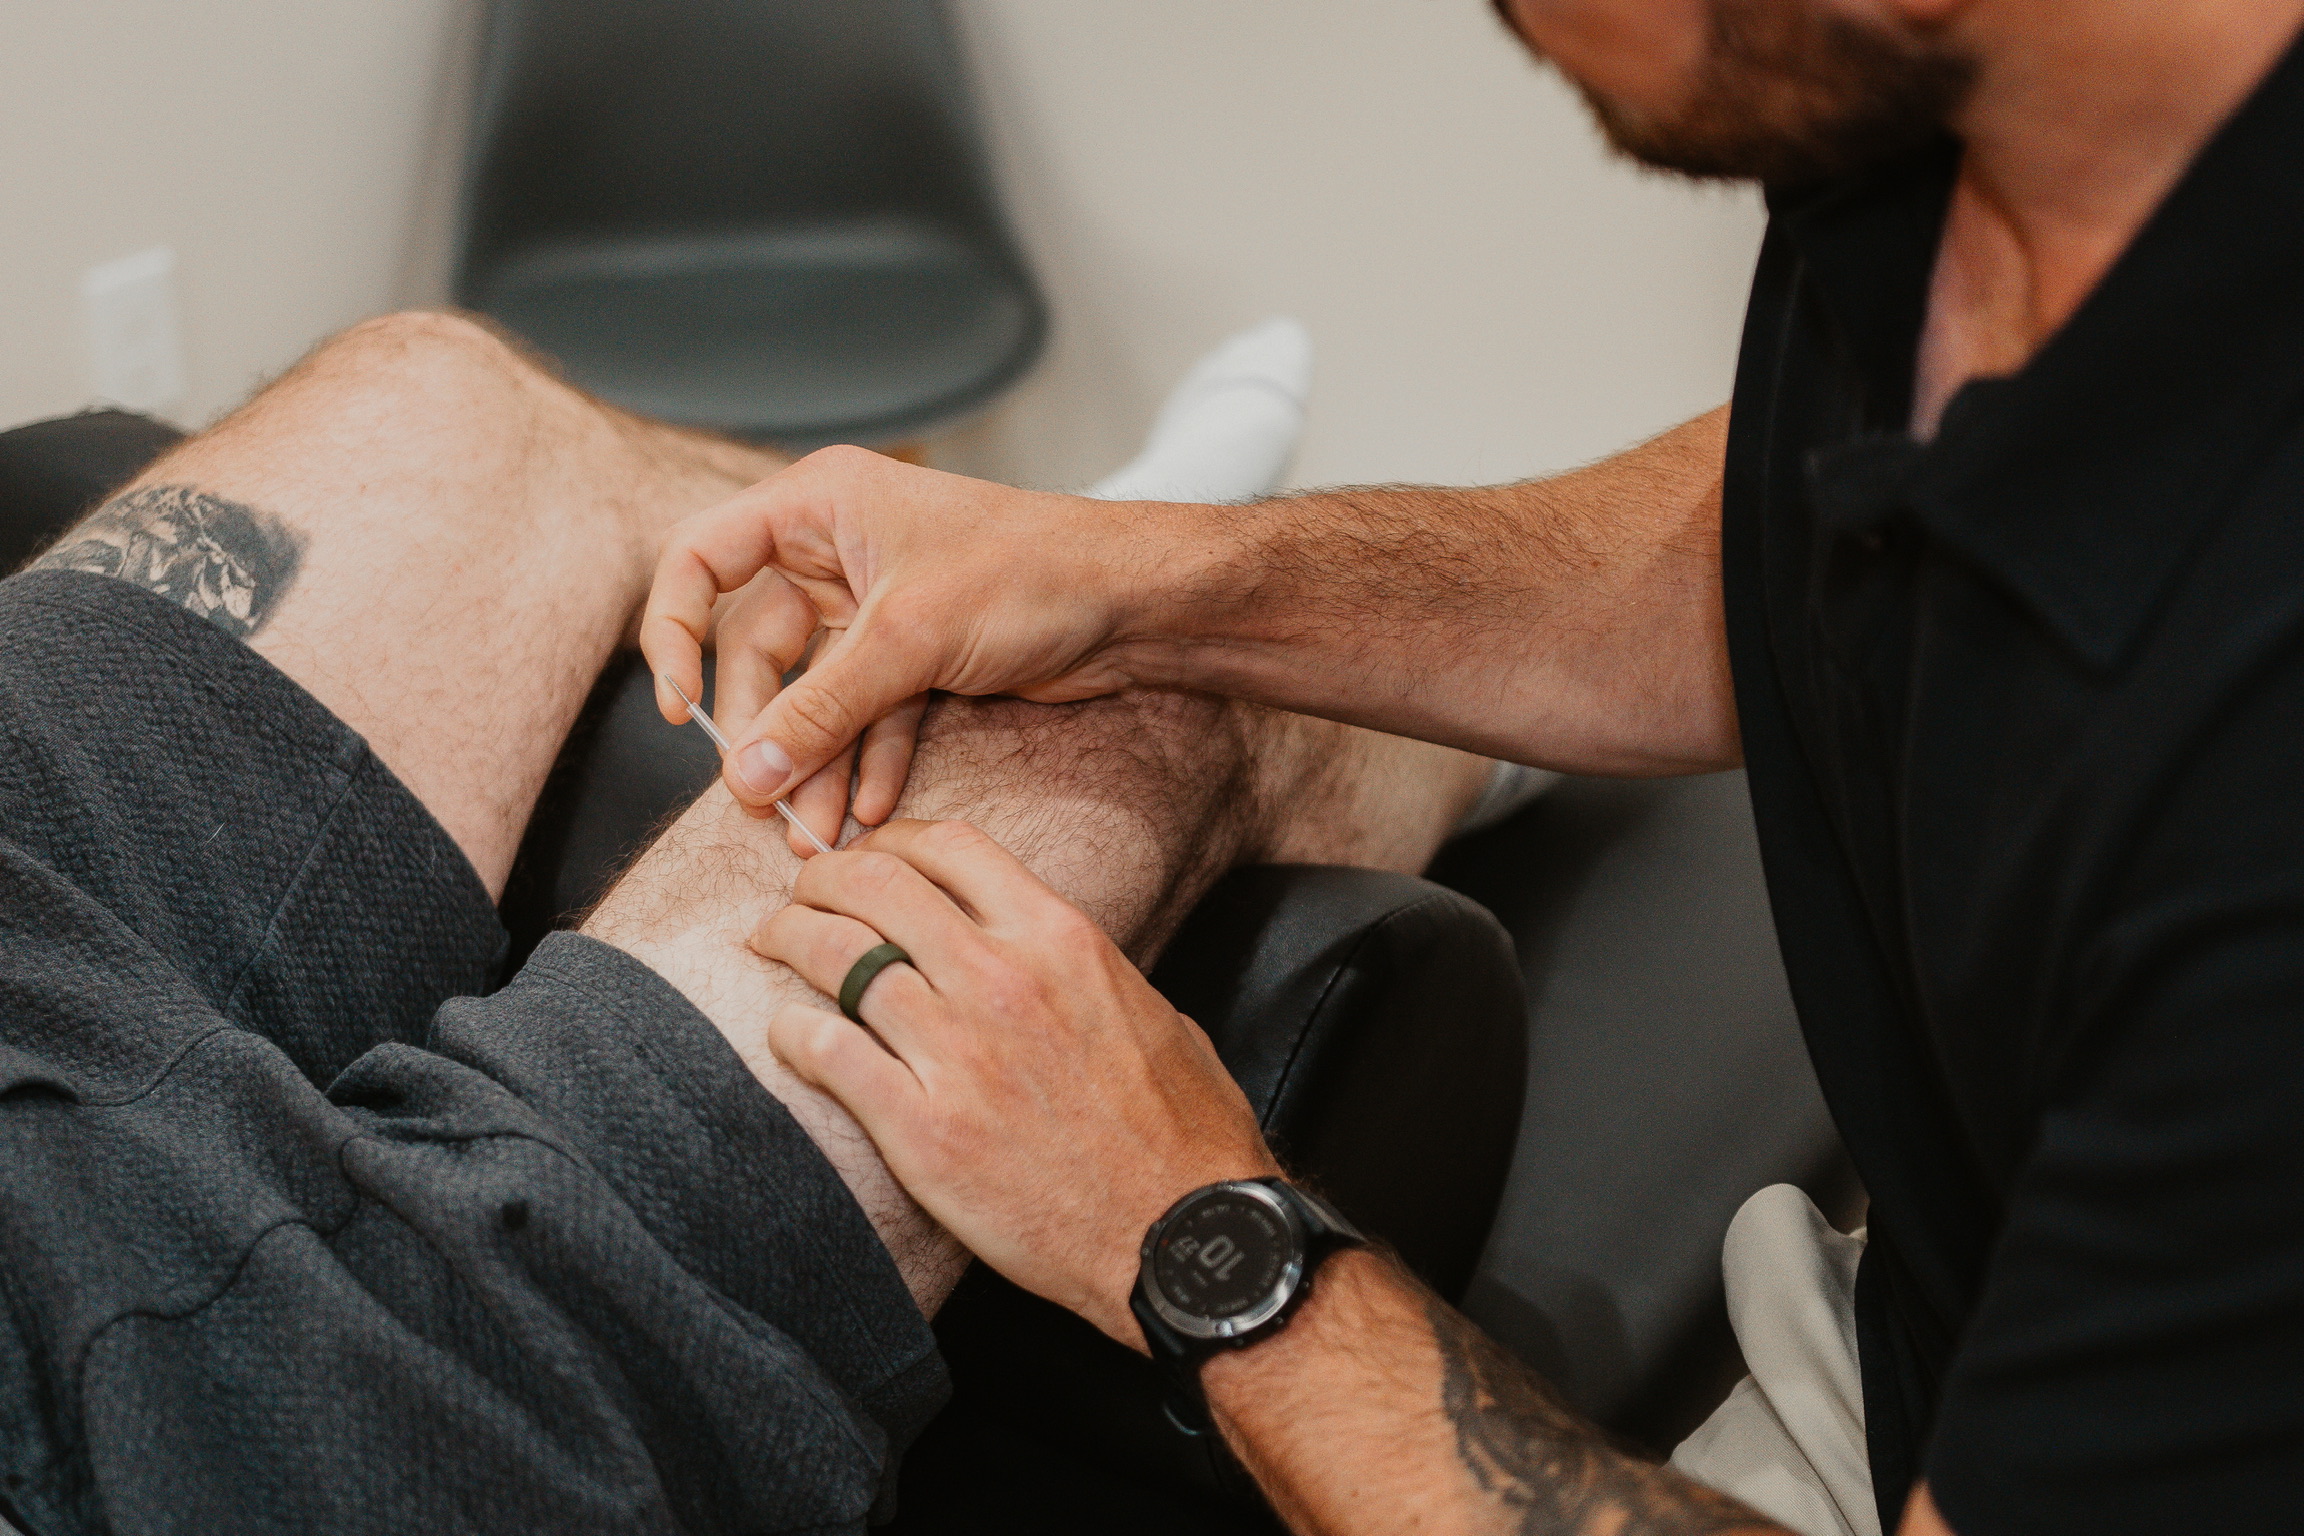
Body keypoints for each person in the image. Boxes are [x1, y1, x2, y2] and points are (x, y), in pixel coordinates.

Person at [638, 2, 2304, 1534]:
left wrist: (1185, 1225)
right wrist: (1159, 578)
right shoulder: (1975, 136)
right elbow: (1809, 517)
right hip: (1920, 1344)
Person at [0, 313, 1519, 1534]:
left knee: (445, 393)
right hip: (217, 1427)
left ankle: (1055, 537)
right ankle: (1488, 736)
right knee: (1123, 697)